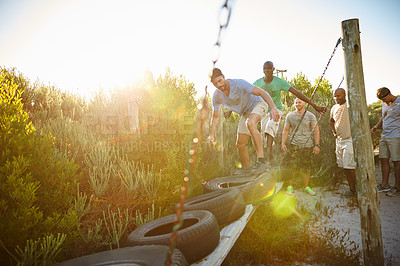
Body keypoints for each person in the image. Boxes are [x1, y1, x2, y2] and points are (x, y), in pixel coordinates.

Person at [208, 68, 280, 173]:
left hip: (258, 104)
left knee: (250, 123)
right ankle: (247, 170)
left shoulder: (238, 84)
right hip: (246, 113)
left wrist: (273, 107)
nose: (219, 85)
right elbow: (215, 117)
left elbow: (262, 92)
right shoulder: (217, 96)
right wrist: (211, 134)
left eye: (219, 81)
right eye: (215, 84)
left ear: (223, 77)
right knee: (240, 144)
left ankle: (261, 161)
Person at [253, 61, 327, 163]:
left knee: (270, 126)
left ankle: (268, 161)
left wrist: (315, 106)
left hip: (276, 110)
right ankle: (265, 159)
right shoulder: (258, 83)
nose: (267, 71)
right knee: (264, 138)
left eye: (269, 68)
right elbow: (247, 93)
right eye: (265, 68)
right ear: (263, 69)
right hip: (264, 111)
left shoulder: (279, 82)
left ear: (273, 69)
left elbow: (297, 93)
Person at [281, 98, 320, 196]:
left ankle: (306, 186)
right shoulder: (290, 116)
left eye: (300, 102)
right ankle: (290, 187)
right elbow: (286, 130)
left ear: (305, 103)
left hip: (307, 146)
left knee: (306, 168)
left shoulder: (311, 116)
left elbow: (316, 131)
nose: (297, 104)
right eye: (296, 102)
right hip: (294, 145)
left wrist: (317, 145)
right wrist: (283, 143)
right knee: (291, 167)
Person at [371, 87, 400, 197]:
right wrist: (375, 127)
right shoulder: (384, 104)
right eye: (381, 101)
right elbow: (384, 118)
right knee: (383, 159)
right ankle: (385, 184)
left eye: (384, 99)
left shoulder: (399, 103)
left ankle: (397, 187)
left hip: (395, 136)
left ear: (389, 94)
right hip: (384, 135)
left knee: (397, 161)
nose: (383, 102)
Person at [329, 88, 357, 197]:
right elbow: (331, 121)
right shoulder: (334, 107)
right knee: (345, 167)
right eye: (335, 96)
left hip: (349, 139)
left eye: (338, 96)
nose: (336, 98)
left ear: (344, 95)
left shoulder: (349, 105)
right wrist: (334, 132)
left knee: (350, 167)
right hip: (339, 140)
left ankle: (360, 189)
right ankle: (352, 190)